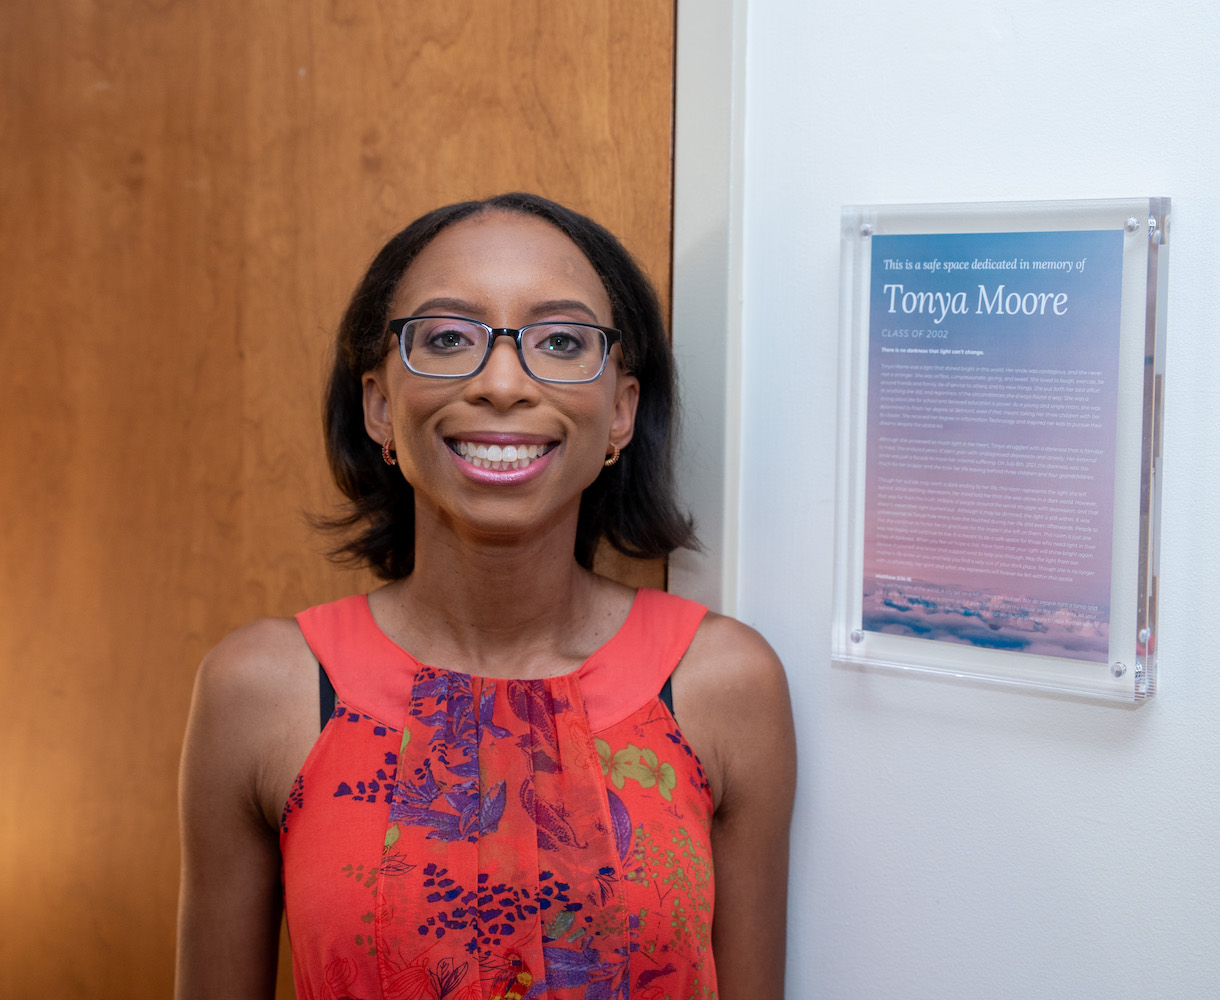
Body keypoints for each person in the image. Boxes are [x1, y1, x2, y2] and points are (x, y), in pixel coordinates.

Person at [176, 193, 796, 1000]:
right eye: (447, 338)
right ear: (378, 406)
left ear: (622, 411)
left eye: (563, 341)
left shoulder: (724, 684)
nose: (502, 383)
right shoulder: (261, 690)